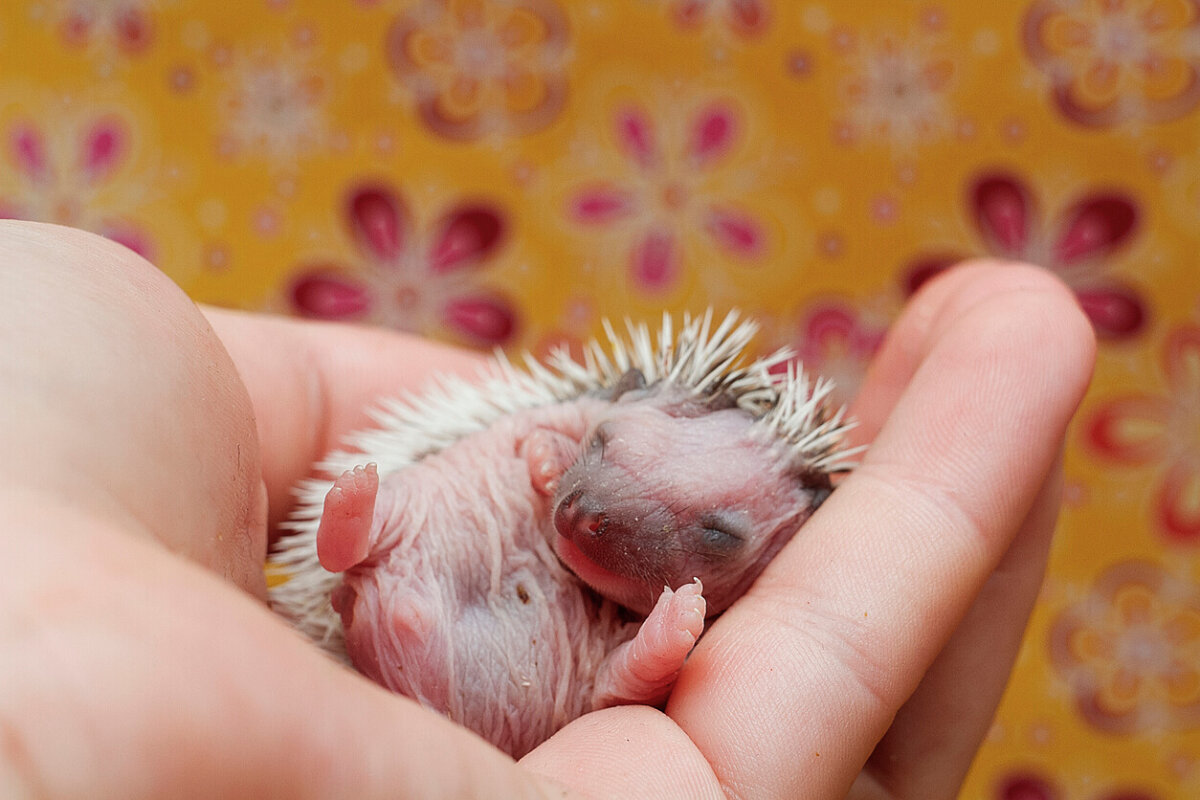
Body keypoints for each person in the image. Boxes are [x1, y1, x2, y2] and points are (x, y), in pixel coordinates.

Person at [0, 218, 1094, 799]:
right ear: (593, 414)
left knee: (607, 684)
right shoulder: (539, 436)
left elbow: (623, 703)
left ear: (774, 553)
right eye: (604, 451)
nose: (594, 518)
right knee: (397, 546)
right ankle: (364, 544)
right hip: (430, 601)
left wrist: (646, 666)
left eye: (714, 539)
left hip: (520, 688)